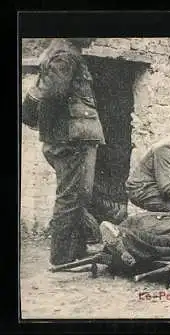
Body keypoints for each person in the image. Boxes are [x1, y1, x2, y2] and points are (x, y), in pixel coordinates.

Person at [22, 38, 106, 266]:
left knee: (79, 195)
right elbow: (53, 94)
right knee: (71, 195)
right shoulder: (65, 54)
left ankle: (75, 251)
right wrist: (52, 132)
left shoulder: (64, 51)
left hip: (73, 134)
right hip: (72, 137)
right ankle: (61, 256)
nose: (94, 37)